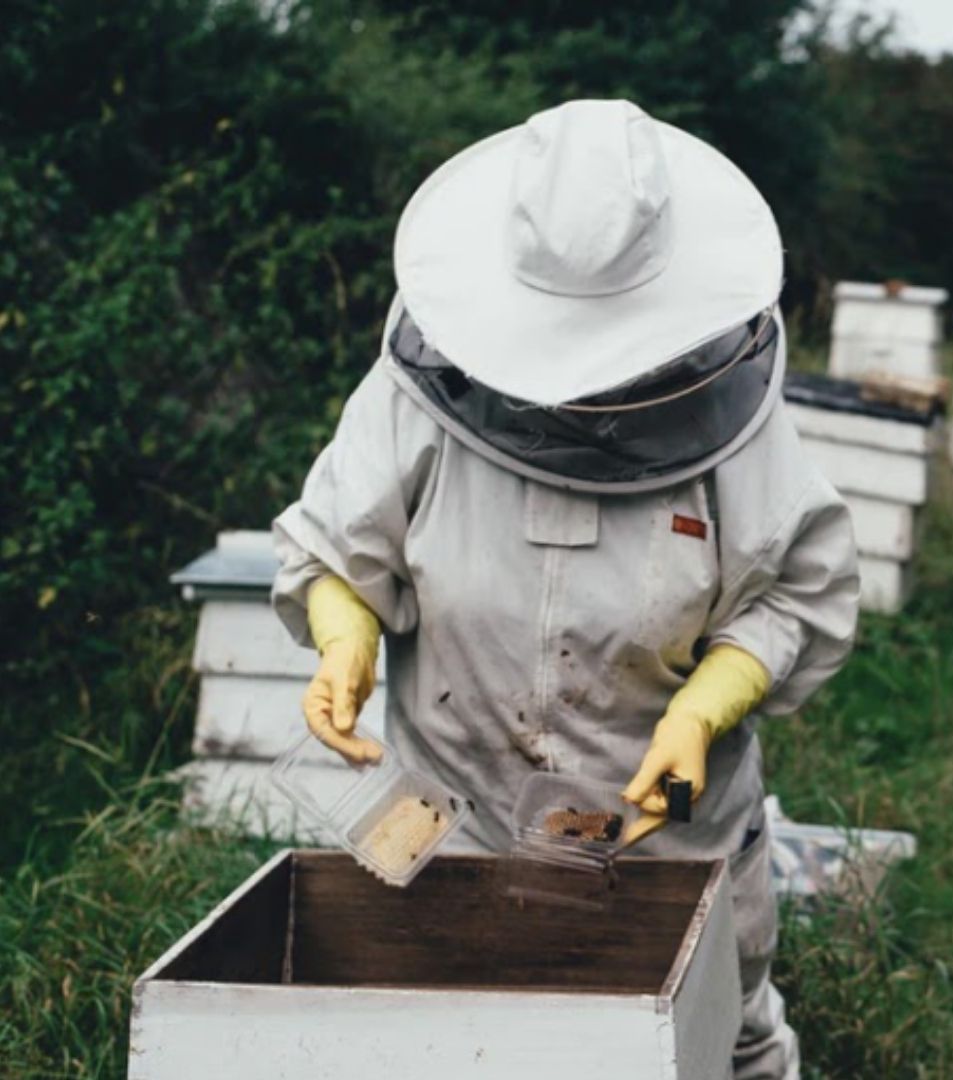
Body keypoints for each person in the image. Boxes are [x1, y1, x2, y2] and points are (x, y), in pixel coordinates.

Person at [270, 98, 859, 1080]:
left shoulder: (736, 429)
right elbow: (337, 544)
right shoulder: (414, 403)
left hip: (669, 840)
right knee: (472, 1049)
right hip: (455, 825)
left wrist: (703, 713)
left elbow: (791, 595)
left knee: (722, 1041)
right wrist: (345, 637)